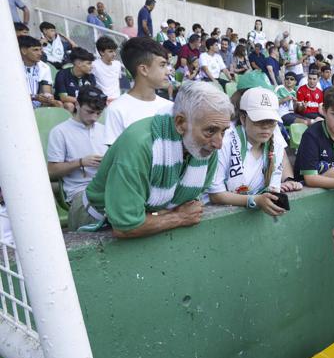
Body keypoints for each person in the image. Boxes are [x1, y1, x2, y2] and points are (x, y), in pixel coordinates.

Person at [70, 82, 233, 236]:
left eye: (223, 131)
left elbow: (191, 204)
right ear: (180, 123)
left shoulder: (205, 149)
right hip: (96, 219)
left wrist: (167, 215)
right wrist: (179, 218)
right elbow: (125, 227)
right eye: (210, 131)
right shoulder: (139, 145)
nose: (219, 144)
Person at [209, 88, 301, 215]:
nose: (266, 127)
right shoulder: (225, 143)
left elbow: (272, 190)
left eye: (271, 121)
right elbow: (216, 195)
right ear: (243, 119)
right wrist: (254, 200)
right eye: (259, 121)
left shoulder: (277, 145)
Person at [103, 37, 173, 146]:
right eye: (162, 65)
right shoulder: (117, 110)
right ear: (144, 69)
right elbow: (116, 156)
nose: (168, 72)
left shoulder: (171, 107)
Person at [47, 86, 108, 206]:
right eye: (90, 112)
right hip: (80, 191)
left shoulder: (104, 130)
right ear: (77, 104)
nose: (94, 117)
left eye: (98, 113)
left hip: (106, 187)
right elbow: (51, 172)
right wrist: (80, 162)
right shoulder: (60, 131)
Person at [19, 35, 62, 108]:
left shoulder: (44, 67)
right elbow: (11, 94)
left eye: (40, 50)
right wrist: (34, 97)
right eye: (35, 50)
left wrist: (48, 98)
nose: (40, 53)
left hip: (38, 105)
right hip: (18, 104)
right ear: (24, 51)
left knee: (58, 104)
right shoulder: (12, 67)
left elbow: (47, 92)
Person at [54, 47, 97, 112]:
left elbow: (92, 95)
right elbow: (63, 97)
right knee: (69, 105)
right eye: (89, 63)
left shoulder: (91, 77)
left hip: (82, 104)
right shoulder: (62, 74)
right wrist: (84, 101)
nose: (92, 66)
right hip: (64, 104)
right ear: (79, 63)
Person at [93, 37, 122, 102]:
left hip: (118, 100)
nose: (114, 54)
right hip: (102, 101)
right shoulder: (94, 65)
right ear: (101, 52)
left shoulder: (118, 64)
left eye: (114, 51)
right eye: (110, 51)